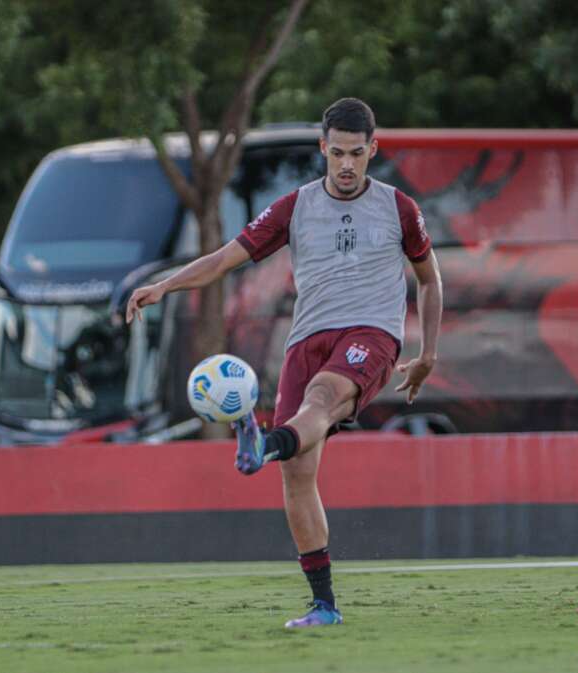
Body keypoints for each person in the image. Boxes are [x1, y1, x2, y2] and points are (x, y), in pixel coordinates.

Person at [125, 98, 444, 628]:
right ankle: (324, 605)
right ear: (322, 148)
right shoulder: (295, 207)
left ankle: (263, 443)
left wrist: (427, 353)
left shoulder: (399, 208)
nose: (346, 165)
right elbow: (226, 258)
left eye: (356, 154)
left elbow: (430, 279)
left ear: (373, 150)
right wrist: (165, 285)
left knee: (322, 397)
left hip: (371, 335)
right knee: (298, 475)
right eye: (336, 152)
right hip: (307, 340)